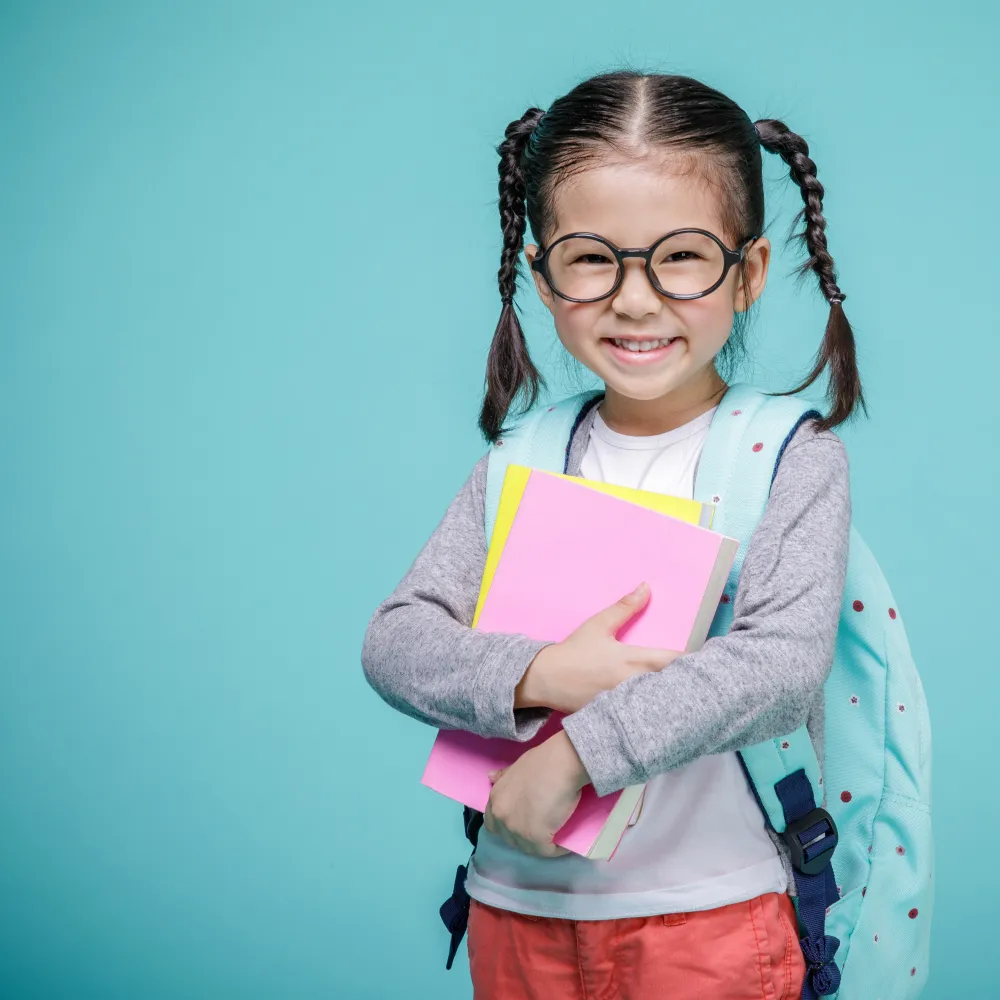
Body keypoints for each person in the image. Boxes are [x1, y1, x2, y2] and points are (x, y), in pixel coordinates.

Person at [362, 69, 859, 1000]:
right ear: (541, 274)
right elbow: (396, 640)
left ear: (748, 274)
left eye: (681, 256)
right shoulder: (521, 459)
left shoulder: (787, 460)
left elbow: (781, 665)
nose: (635, 299)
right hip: (517, 911)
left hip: (711, 915)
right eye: (593, 258)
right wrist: (540, 674)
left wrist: (575, 753)